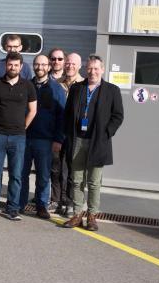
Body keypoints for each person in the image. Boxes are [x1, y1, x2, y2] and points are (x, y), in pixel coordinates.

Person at [63, 55, 124, 231]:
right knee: (76, 180)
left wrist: (106, 133)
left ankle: (91, 216)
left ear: (102, 70)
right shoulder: (76, 89)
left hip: (98, 141)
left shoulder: (112, 90)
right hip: (77, 141)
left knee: (94, 182)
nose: (92, 72)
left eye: (96, 68)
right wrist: (68, 134)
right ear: (85, 69)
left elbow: (118, 116)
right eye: (90, 68)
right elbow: (67, 114)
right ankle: (76, 214)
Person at [0, 52, 37, 220]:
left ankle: (12, 209)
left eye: (16, 65)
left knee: (16, 175)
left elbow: (33, 110)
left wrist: (22, 127)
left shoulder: (28, 86)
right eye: (9, 65)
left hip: (18, 137)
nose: (12, 68)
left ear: (21, 67)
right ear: (5, 65)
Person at [18, 54, 66, 219]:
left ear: (49, 67)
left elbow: (62, 116)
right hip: (24, 138)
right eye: (37, 64)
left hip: (45, 140)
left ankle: (41, 206)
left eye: (43, 64)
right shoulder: (25, 85)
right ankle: (19, 203)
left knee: (43, 175)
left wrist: (58, 139)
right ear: (33, 66)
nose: (40, 67)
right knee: (21, 173)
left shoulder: (56, 89)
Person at [52, 52, 84, 215]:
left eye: (73, 64)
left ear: (79, 66)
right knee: (57, 169)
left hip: (75, 134)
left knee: (72, 171)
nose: (70, 66)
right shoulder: (57, 84)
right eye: (68, 63)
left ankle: (71, 202)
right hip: (59, 132)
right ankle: (58, 200)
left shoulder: (84, 85)